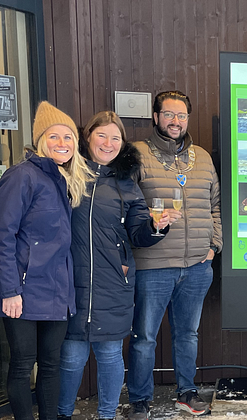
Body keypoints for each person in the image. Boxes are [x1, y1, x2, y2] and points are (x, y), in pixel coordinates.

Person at [57, 111, 180, 420]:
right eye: (102, 135)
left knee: (111, 354)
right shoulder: (67, 175)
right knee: (71, 355)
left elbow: (139, 233)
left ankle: (107, 415)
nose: (108, 143)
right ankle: (61, 414)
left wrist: (157, 226)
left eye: (115, 138)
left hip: (114, 281)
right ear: (88, 138)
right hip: (69, 280)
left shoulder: (127, 183)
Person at [0, 101, 92, 420]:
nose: (62, 143)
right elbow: (1, 236)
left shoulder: (65, 179)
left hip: (56, 292)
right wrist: (9, 291)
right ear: (39, 141)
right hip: (21, 291)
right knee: (22, 365)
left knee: (51, 366)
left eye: (69, 138)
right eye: (54, 136)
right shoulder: (22, 176)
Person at [127, 90, 222, 419]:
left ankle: (187, 391)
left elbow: (216, 207)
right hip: (152, 267)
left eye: (182, 116)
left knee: (188, 334)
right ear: (155, 117)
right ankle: (140, 399)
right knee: (144, 338)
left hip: (197, 266)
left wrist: (213, 248)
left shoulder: (203, 157)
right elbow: (125, 209)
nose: (176, 121)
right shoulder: (136, 154)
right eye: (169, 114)